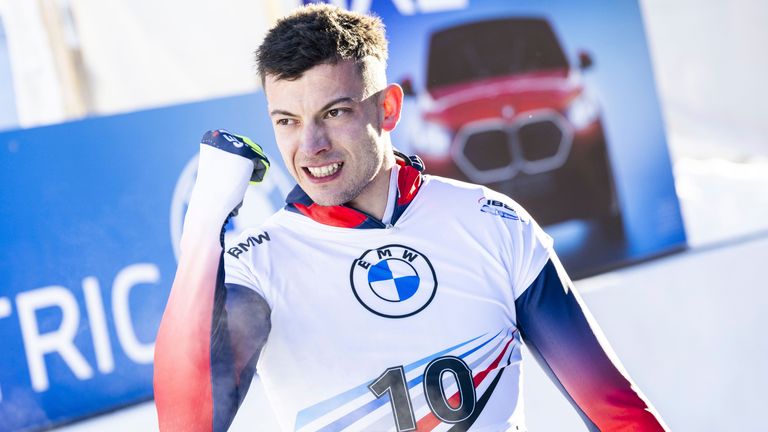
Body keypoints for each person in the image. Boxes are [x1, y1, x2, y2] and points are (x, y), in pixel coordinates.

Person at [154, 4, 668, 431]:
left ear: (389, 108)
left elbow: (616, 412)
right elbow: (185, 424)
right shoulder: (258, 264)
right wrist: (205, 225)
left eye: (335, 113)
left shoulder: (493, 223)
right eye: (287, 121)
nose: (310, 146)